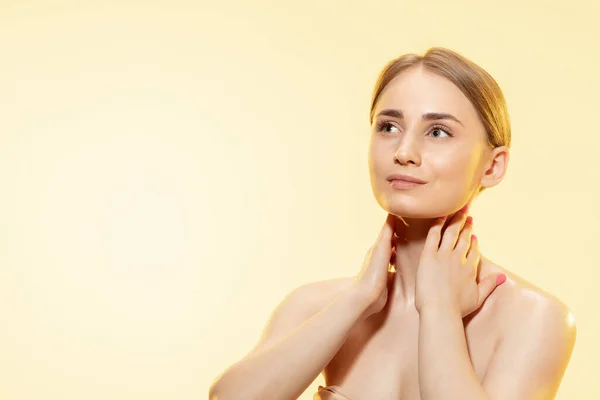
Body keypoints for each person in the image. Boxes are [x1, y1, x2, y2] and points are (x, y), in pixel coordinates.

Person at [207, 47, 577, 400]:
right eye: (388, 127)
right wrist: (358, 299)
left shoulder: (534, 317)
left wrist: (440, 312)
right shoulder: (315, 305)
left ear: (492, 166)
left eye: (438, 132)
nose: (403, 152)